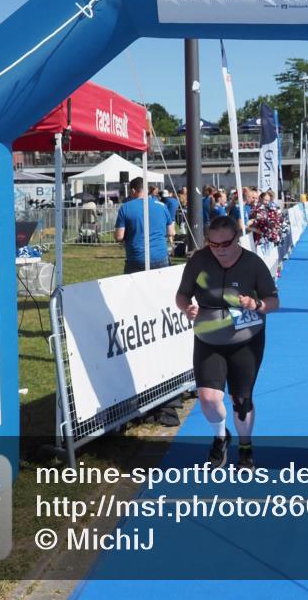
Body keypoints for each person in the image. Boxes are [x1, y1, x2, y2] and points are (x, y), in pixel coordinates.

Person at [176, 216, 280, 469]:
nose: (219, 250)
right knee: (208, 398)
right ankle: (220, 437)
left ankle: (245, 447)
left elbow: (274, 302)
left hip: (246, 340)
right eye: (213, 244)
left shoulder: (253, 263)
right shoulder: (199, 261)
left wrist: (255, 304)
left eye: (225, 244)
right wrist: (187, 308)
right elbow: (182, 295)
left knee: (241, 400)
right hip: (208, 338)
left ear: (237, 238)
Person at [114, 177, 174, 273]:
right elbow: (171, 232)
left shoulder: (125, 208)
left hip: (136, 258)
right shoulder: (162, 206)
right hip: (160, 256)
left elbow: (119, 236)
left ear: (133, 190)